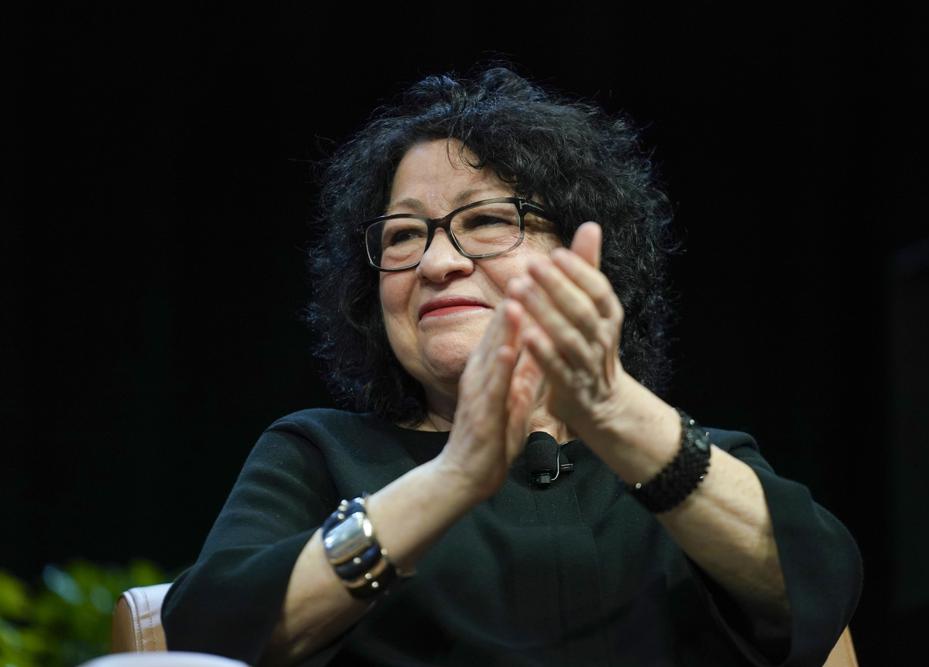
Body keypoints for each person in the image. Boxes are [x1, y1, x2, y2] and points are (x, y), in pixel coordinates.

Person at [162, 66, 862, 666]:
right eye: (403, 234)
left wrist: (616, 412)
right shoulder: (319, 454)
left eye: (487, 220)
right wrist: (452, 478)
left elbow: (822, 589)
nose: (437, 262)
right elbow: (208, 632)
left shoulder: (696, 461)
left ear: (584, 259)